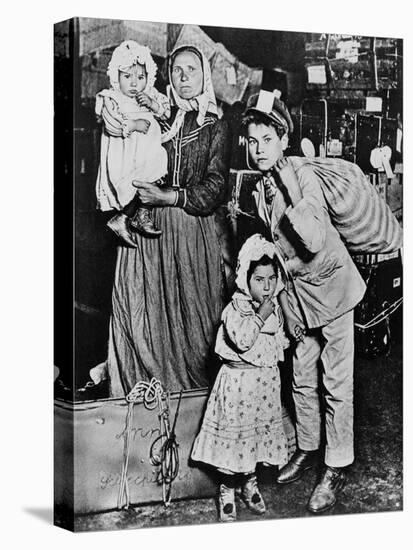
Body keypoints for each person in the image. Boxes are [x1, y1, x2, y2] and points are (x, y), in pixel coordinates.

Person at [241, 92, 366, 514]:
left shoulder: (303, 176)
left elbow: (311, 239)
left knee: (336, 383)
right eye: (252, 141)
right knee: (301, 378)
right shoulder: (259, 188)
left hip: (333, 291)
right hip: (300, 297)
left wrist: (293, 187)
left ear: (284, 139)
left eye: (266, 140)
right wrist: (287, 309)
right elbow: (279, 254)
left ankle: (336, 465)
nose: (258, 149)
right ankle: (309, 448)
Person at [106, 44, 231, 395]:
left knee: (194, 324)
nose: (184, 76)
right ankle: (142, 398)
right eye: (177, 70)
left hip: (189, 228)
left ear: (204, 75)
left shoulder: (216, 125)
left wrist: (169, 196)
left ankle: (193, 406)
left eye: (192, 69)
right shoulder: (158, 115)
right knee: (141, 313)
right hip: (146, 230)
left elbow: (215, 187)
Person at [191, 234, 291, 522]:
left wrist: (286, 338)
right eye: (259, 279)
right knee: (235, 439)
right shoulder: (235, 309)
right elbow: (244, 340)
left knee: (255, 438)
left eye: (272, 278)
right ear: (245, 279)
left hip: (262, 387)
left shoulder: (272, 306)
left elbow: (276, 341)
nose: (267, 286)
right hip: (238, 387)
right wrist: (260, 315)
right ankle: (227, 488)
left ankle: (250, 482)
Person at [95, 40, 171, 239]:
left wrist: (153, 105)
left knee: (155, 174)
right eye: (127, 76)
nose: (134, 83)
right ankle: (124, 216)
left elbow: (166, 113)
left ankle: (138, 214)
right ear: (116, 76)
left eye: (141, 77)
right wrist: (133, 124)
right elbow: (111, 124)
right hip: (126, 156)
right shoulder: (112, 98)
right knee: (132, 183)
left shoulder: (150, 94)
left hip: (148, 152)